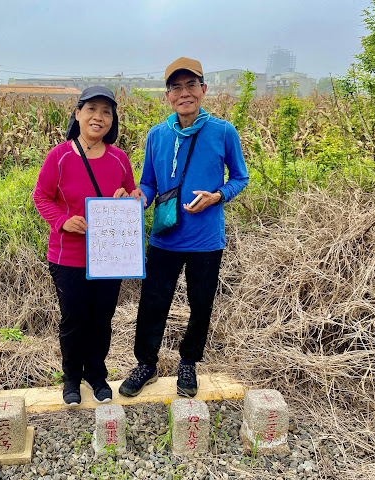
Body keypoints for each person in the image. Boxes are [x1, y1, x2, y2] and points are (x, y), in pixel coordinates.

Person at [120, 57, 249, 398]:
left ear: (204, 90)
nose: (184, 93)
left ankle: (188, 363)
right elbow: (148, 182)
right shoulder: (157, 135)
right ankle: (146, 364)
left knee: (201, 304)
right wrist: (139, 198)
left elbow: (240, 177)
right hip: (164, 238)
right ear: (167, 96)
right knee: (152, 303)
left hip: (206, 240)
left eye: (191, 85)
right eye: (176, 87)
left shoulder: (223, 132)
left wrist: (218, 195)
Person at [33, 86, 137, 406]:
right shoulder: (60, 156)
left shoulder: (119, 159)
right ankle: (71, 379)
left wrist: (130, 200)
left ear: (112, 120)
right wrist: (63, 220)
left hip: (108, 256)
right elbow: (41, 196)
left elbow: (134, 197)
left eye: (106, 111)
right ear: (78, 113)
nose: (99, 117)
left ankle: (96, 374)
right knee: (73, 319)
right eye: (92, 109)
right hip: (69, 256)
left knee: (101, 318)